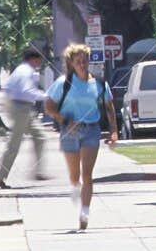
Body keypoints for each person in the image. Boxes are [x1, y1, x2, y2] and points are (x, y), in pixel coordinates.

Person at [44, 43, 116, 231]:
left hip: (92, 130)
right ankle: (75, 188)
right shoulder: (63, 83)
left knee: (87, 175)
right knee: (75, 176)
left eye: (85, 61)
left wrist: (114, 131)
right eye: (78, 62)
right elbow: (49, 107)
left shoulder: (100, 84)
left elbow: (109, 107)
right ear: (71, 63)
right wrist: (65, 119)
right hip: (69, 131)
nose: (82, 64)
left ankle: (85, 212)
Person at [0, 47, 47, 189]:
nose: (41, 62)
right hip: (21, 108)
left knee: (40, 136)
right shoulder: (26, 72)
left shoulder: (22, 70)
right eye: (39, 59)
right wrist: (47, 96)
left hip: (23, 108)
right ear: (34, 59)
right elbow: (27, 92)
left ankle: (38, 171)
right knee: (14, 143)